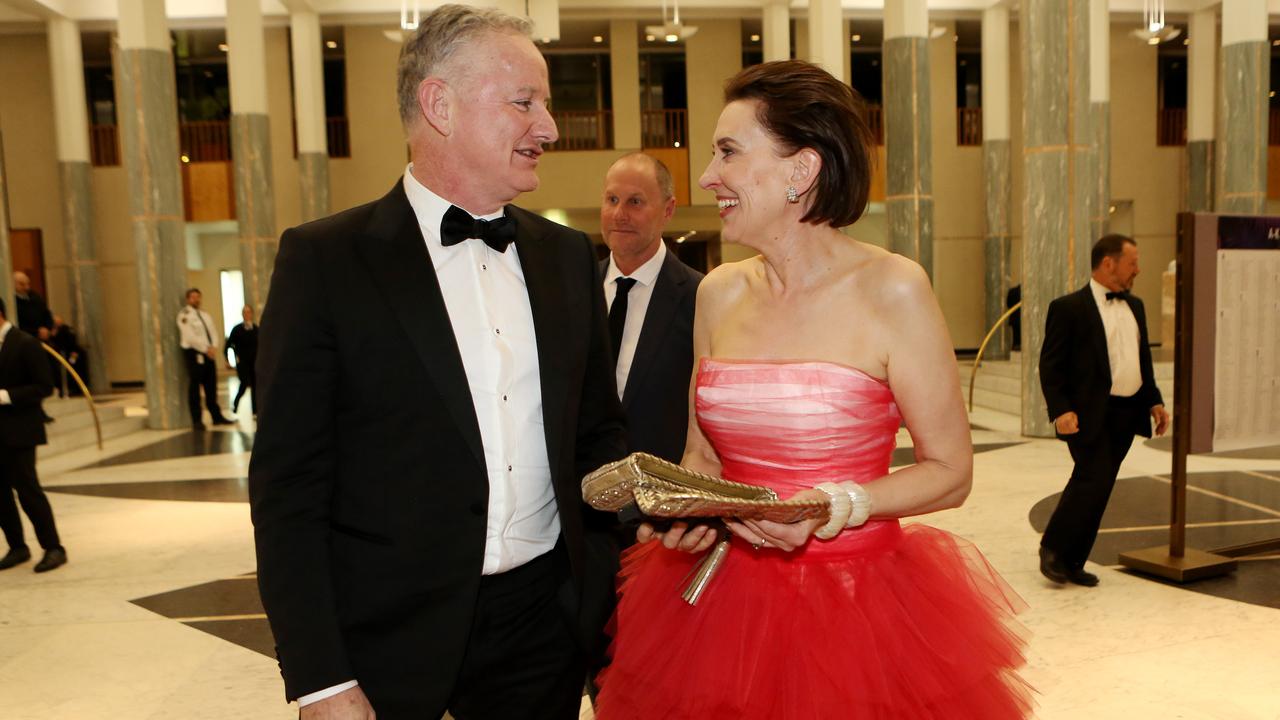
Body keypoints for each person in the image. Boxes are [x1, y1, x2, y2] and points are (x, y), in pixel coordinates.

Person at [593, 61, 1030, 720]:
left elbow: (950, 472)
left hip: (860, 607)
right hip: (721, 609)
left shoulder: (894, 289)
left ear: (802, 170)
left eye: (729, 153)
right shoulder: (718, 293)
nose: (708, 176)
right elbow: (702, 459)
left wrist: (832, 505)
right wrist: (691, 518)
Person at [248, 6, 626, 720]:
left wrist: (644, 525)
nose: (548, 126)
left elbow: (597, 436)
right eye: (524, 102)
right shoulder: (326, 261)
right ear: (439, 105)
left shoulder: (568, 258)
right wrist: (320, 678)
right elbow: (289, 488)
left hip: (544, 630)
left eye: (545, 103)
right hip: (385, 639)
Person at [1038, 234, 1168, 587]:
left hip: (1127, 413)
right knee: (1090, 479)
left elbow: (1141, 360)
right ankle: (1052, 549)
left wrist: (1154, 399)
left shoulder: (1136, 306)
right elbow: (1051, 366)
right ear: (1108, 263)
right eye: (1132, 263)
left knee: (1102, 484)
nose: (1138, 269)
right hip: (1089, 413)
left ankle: (1073, 560)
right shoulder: (1068, 308)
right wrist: (1060, 409)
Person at [600, 152, 703, 463]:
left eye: (635, 202)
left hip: (663, 490)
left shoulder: (700, 296)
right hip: (582, 491)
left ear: (668, 210)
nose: (619, 214)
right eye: (612, 199)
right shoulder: (574, 288)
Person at [0, 298, 67, 573]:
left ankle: (53, 547)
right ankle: (17, 546)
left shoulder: (25, 343)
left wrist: (5, 396)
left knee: (28, 490)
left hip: (20, 430)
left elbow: (44, 387)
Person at [177, 288, 232, 430]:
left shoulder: (205, 315)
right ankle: (197, 420)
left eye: (198, 297)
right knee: (195, 386)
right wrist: (205, 349)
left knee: (211, 385)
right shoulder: (184, 315)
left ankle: (216, 416)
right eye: (193, 297)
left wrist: (213, 347)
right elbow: (189, 336)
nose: (196, 299)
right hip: (194, 353)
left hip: (209, 354)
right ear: (188, 299)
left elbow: (213, 332)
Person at [224, 305, 258, 416]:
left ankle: (255, 410)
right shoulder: (237, 329)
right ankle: (236, 402)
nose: (247, 314)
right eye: (244, 312)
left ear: (252, 314)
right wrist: (228, 360)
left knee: (255, 385)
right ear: (242, 314)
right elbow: (228, 345)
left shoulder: (256, 329)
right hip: (242, 362)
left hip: (254, 362)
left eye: (249, 312)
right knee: (244, 383)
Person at [49, 315, 88, 397]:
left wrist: (74, 351)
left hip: (70, 354)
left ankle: (76, 388)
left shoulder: (67, 330)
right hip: (60, 355)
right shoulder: (52, 330)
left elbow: (71, 342)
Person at [12, 271, 52, 341]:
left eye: (27, 284)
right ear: (12, 284)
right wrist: (36, 332)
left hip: (43, 338)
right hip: (25, 339)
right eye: (22, 284)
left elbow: (46, 313)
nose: (26, 287)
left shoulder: (35, 296)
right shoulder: (12, 301)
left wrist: (47, 328)